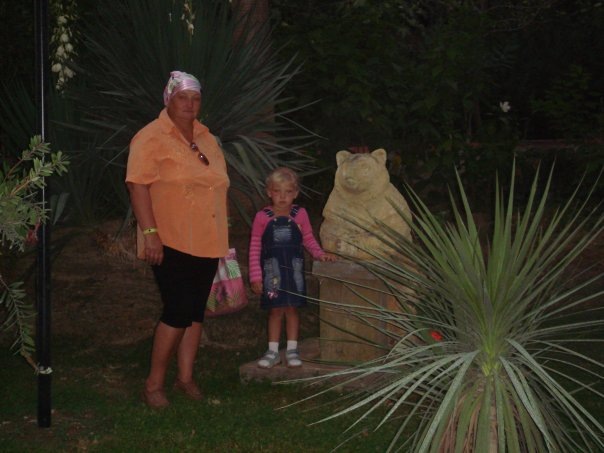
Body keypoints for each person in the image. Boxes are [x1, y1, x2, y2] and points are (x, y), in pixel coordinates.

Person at [125, 71, 229, 408]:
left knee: (195, 312)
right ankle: (153, 384)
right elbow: (137, 185)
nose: (189, 104)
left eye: (195, 98)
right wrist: (150, 234)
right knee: (178, 310)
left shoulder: (206, 137)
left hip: (207, 239)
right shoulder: (150, 137)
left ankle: (185, 377)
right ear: (168, 99)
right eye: (182, 97)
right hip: (170, 239)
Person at [248, 167, 336, 369]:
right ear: (269, 192)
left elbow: (308, 239)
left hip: (294, 272)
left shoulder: (300, 214)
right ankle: (272, 352)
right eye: (277, 191)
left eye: (288, 192)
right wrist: (255, 276)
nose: (282, 197)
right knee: (275, 310)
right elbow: (254, 247)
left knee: (292, 309)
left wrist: (320, 254)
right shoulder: (262, 217)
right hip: (272, 273)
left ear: (295, 193)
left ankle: (292, 349)